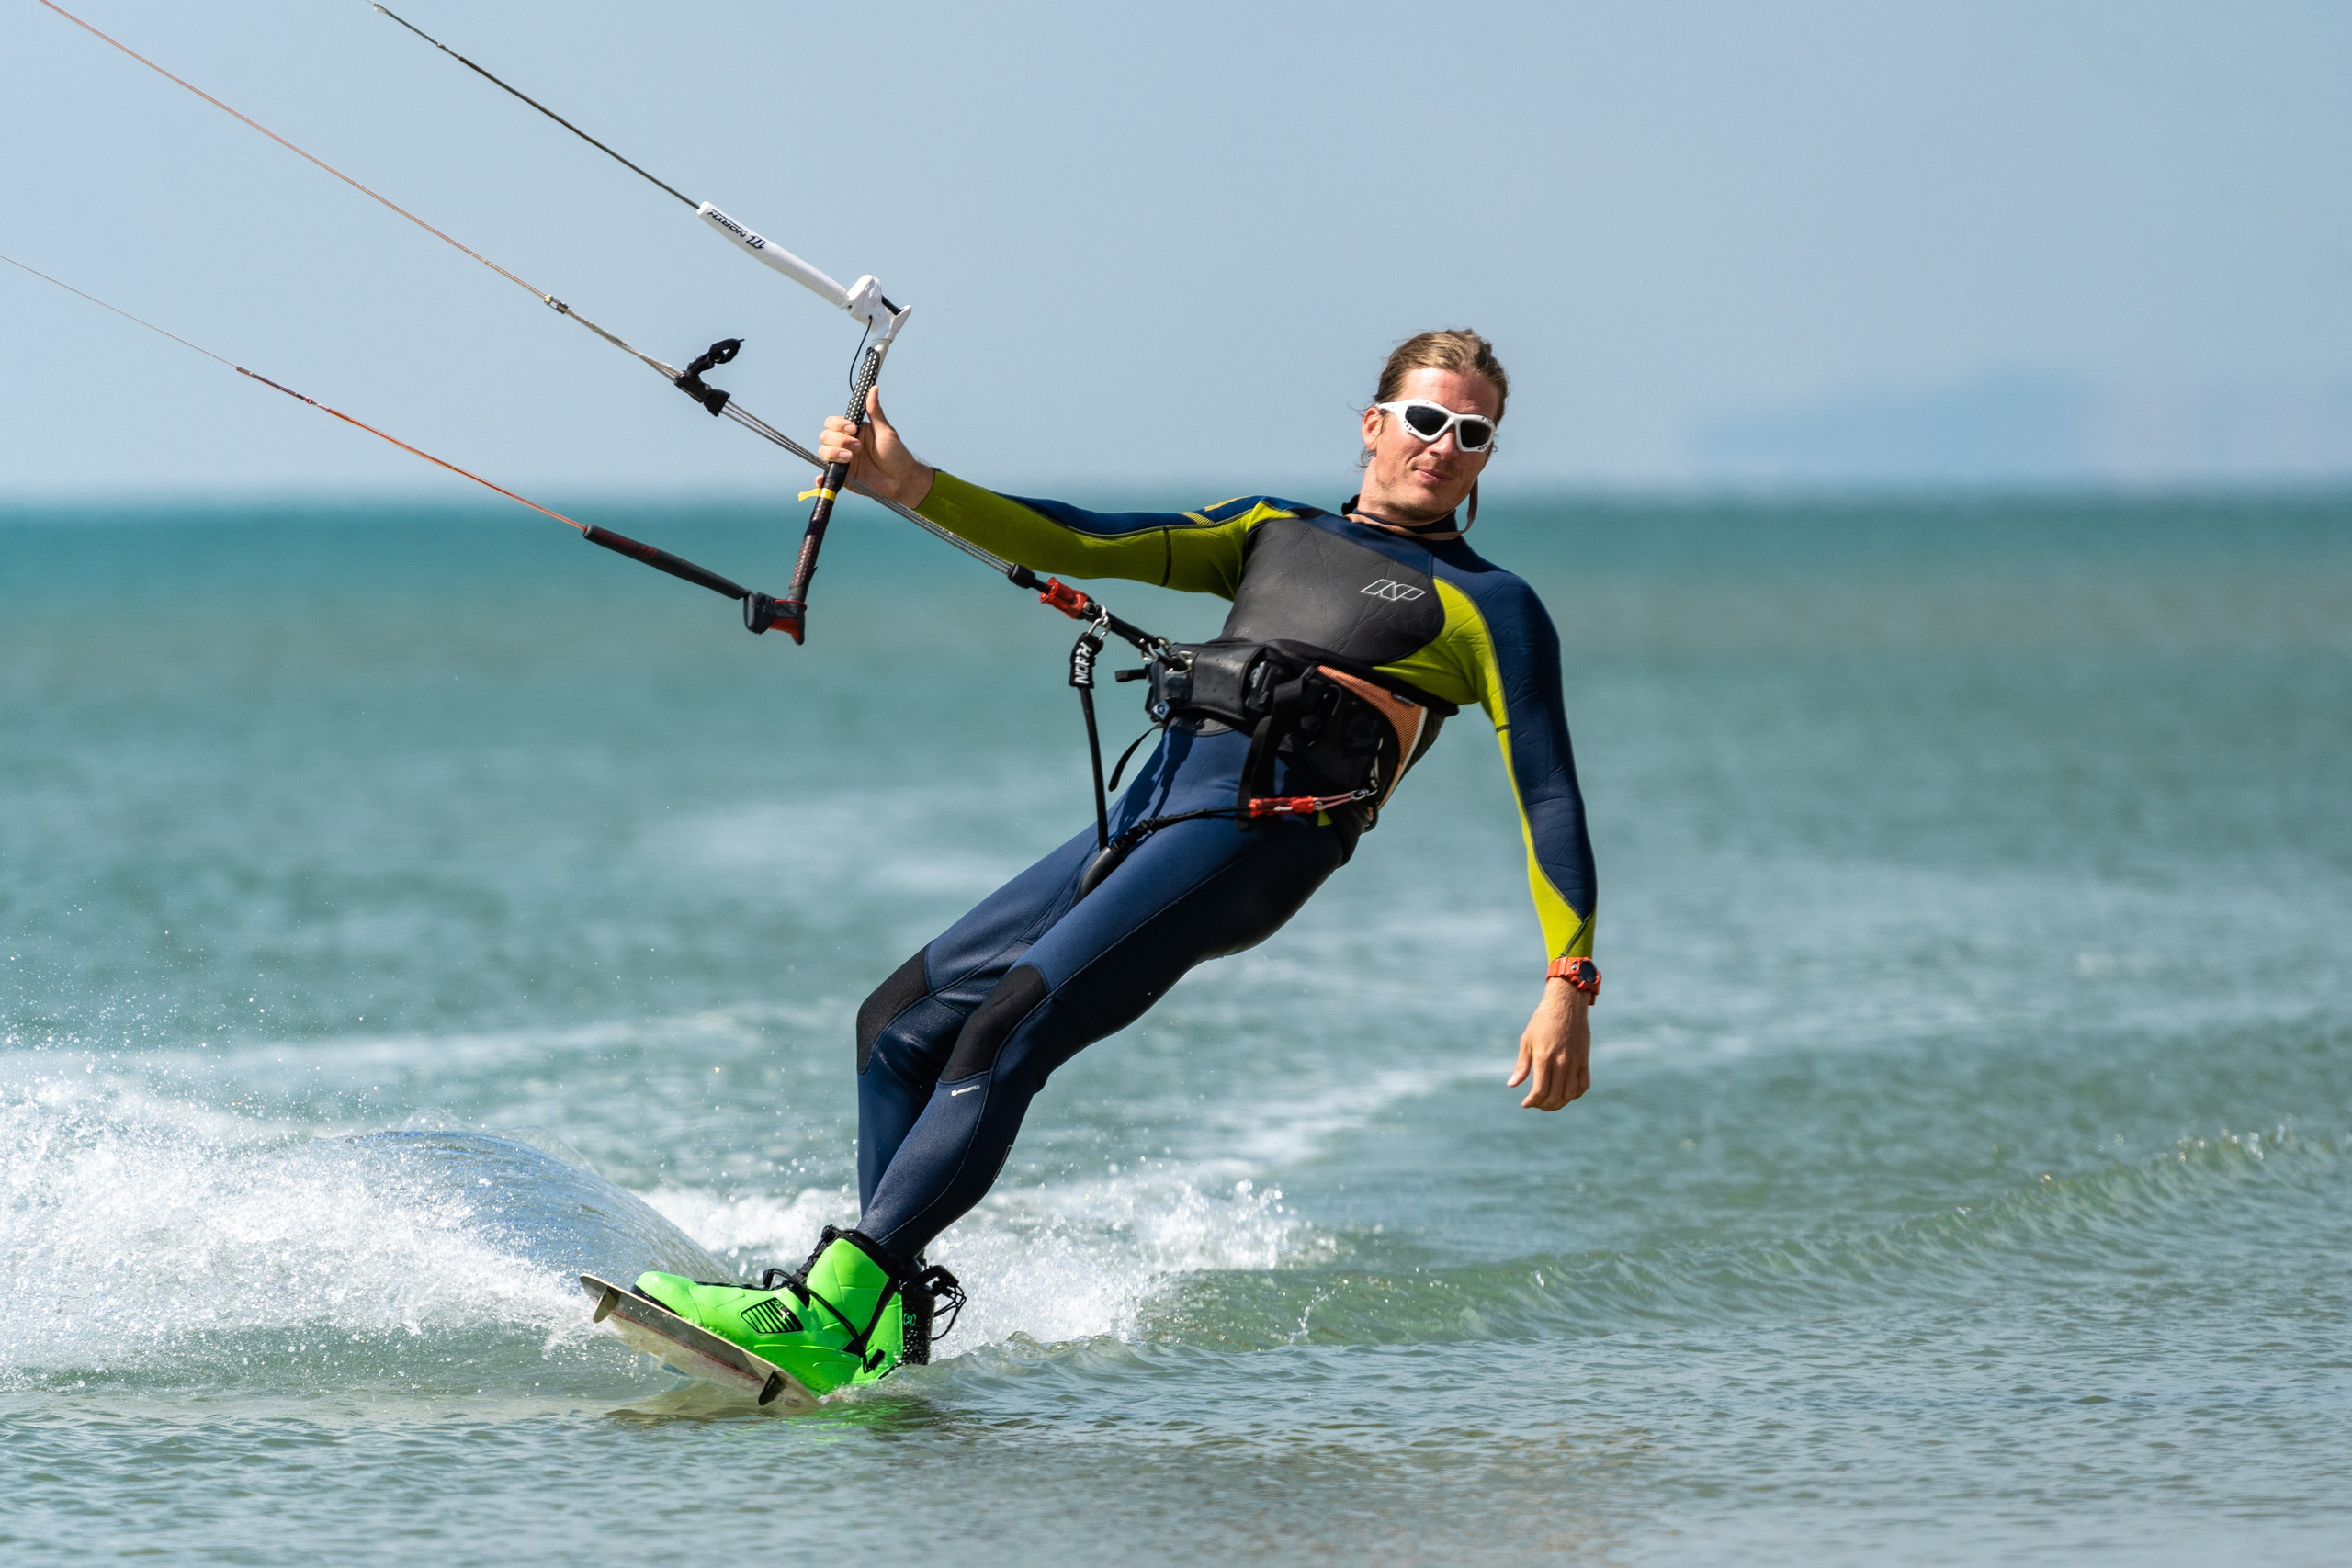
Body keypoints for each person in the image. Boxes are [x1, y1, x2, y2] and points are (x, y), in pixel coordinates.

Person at [632, 330, 1600, 1396]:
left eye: (1473, 433)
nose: (1444, 446)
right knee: (900, 1028)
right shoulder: (1270, 531)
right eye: (1425, 419)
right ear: (1374, 426)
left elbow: (1548, 793)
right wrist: (908, 484)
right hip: (1148, 815)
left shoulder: (1489, 605)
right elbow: (1087, 539)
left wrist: (1567, 979)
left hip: (1256, 840)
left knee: (1006, 1030)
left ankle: (827, 1308)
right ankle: (884, 1329)